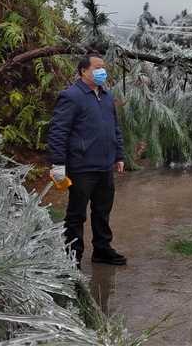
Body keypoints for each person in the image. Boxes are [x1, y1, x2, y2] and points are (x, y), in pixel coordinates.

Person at [48, 54, 127, 267]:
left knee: (102, 211)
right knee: (76, 215)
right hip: (81, 166)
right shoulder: (71, 96)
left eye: (103, 67)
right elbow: (58, 131)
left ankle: (102, 249)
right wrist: (58, 164)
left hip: (104, 166)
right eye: (97, 67)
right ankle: (72, 258)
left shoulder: (107, 97)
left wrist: (119, 155)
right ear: (83, 71)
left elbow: (114, 129)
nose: (102, 71)